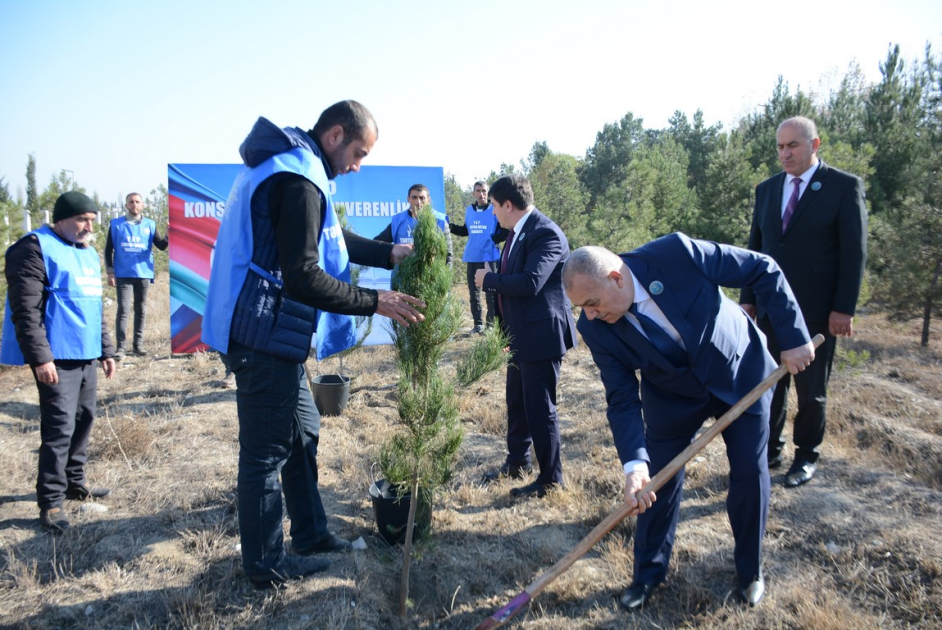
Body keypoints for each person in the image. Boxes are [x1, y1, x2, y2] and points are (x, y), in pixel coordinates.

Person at [201, 101, 425, 588]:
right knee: (264, 453)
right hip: (261, 333)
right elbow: (303, 276)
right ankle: (264, 564)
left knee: (302, 434)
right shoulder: (298, 176)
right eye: (358, 152)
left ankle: (310, 534)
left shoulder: (298, 166)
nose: (357, 165)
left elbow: (330, 237)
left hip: (275, 334)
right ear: (335, 135)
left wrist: (388, 251)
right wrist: (374, 301)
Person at [563, 235, 814, 610]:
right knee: (654, 484)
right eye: (582, 308)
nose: (591, 314)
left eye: (593, 303)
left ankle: (749, 571)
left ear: (616, 278)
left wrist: (794, 338)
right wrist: (634, 464)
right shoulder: (596, 328)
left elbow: (763, 269)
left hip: (739, 372)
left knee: (748, 472)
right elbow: (622, 398)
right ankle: (647, 576)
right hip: (672, 397)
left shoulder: (675, 254)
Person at [741, 116, 868, 488]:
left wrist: (844, 307)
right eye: (780, 147)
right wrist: (748, 298)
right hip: (769, 307)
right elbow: (757, 249)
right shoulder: (767, 189)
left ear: (815, 145)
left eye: (792, 146)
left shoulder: (843, 187)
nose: (785, 154)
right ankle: (770, 451)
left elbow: (853, 252)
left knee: (810, 389)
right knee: (769, 382)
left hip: (816, 309)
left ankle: (807, 456)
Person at [1, 191, 117, 533]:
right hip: (56, 357)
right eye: (82, 220)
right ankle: (51, 501)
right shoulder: (34, 247)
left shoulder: (86, 252)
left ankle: (73, 481)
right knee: (59, 427)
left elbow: (93, 304)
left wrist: (106, 350)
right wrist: (40, 358)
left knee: (85, 417)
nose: (88, 227)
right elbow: (26, 311)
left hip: (85, 353)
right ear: (61, 218)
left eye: (92, 221)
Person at [474, 174, 576, 498]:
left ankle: (551, 480)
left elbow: (530, 282)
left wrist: (488, 280)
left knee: (540, 408)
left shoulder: (545, 233)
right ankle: (518, 461)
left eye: (493, 206)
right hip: (516, 335)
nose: (492, 213)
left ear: (507, 204)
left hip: (540, 336)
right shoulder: (515, 232)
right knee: (517, 402)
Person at [104, 192, 169, 359]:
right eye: (131, 202)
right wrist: (110, 271)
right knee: (123, 309)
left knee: (141, 309)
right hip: (123, 273)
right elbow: (108, 250)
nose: (134, 205)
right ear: (126, 205)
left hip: (143, 273)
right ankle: (121, 348)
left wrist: (169, 232)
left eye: (137, 202)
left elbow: (161, 246)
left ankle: (138, 345)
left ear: (143, 205)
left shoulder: (150, 224)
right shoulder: (116, 225)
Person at [449, 180, 508, 334]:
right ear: (473, 193)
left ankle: (490, 325)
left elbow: (506, 230)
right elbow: (465, 231)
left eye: (484, 191)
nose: (481, 194)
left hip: (489, 257)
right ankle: (478, 324)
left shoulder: (494, 209)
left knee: (491, 293)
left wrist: (493, 240)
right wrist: (449, 226)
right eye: (478, 191)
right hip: (472, 256)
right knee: (473, 294)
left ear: (488, 193)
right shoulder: (470, 210)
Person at [374, 184, 453, 269]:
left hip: (431, 278)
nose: (418, 202)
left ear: (428, 200)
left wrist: (445, 279)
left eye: (422, 198)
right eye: (414, 197)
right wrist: (394, 254)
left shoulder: (440, 221)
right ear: (408, 199)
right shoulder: (398, 221)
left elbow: (448, 255)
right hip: (402, 278)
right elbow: (377, 244)